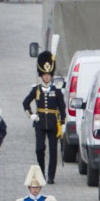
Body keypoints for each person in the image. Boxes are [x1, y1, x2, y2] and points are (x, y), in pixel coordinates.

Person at [22, 51, 66, 184]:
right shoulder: (36, 89)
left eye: (48, 75)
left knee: (53, 151)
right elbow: (25, 103)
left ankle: (51, 175)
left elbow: (62, 107)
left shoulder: (57, 90)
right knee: (39, 148)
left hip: (53, 123)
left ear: (51, 76)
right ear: (41, 76)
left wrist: (63, 123)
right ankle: (41, 172)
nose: (46, 77)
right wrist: (31, 115)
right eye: (44, 75)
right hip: (40, 123)